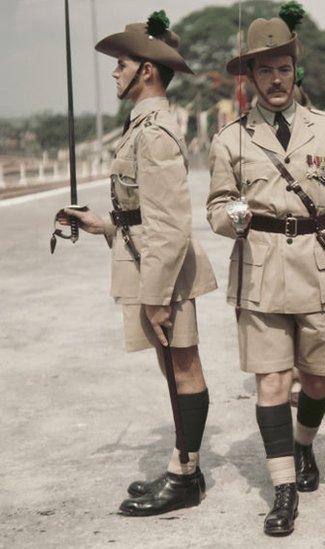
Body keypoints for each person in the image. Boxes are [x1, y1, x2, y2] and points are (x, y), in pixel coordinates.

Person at [58, 9, 218, 518]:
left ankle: (185, 476)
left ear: (146, 69)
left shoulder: (155, 131)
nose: (114, 72)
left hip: (162, 270)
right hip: (145, 258)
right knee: (170, 366)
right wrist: (102, 224)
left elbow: (171, 225)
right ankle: (183, 466)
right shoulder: (142, 125)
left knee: (183, 365)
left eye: (121, 63)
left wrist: (155, 298)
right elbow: (141, 210)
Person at [207, 4, 325, 536]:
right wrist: (231, 216)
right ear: (249, 77)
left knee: (317, 381)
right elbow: (216, 208)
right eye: (265, 70)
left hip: (319, 269)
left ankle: (303, 445)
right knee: (271, 381)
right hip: (261, 271)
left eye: (284, 69)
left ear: (296, 72)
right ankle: (283, 488)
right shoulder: (231, 140)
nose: (276, 79)